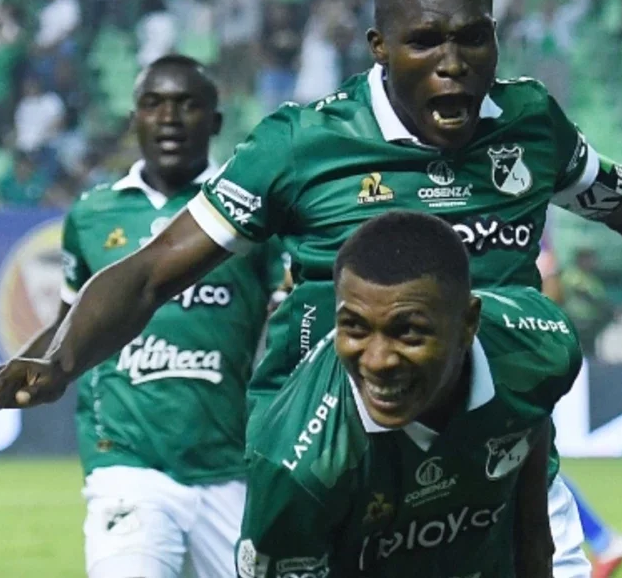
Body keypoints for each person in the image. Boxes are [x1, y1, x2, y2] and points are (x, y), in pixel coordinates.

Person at [0, 0, 622, 575]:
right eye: (427, 42)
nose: (455, 63)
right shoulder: (303, 145)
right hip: (341, 472)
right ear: (381, 49)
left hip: (498, 462)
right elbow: (157, 268)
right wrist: (58, 361)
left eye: (474, 37)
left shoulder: (527, 123)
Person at [0, 55, 282, 578]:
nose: (169, 118)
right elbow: (68, 323)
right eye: (153, 105)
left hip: (231, 469)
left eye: (187, 105)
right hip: (127, 467)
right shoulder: (92, 215)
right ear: (134, 121)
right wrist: (8, 374)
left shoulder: (250, 211)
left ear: (215, 121)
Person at [238, 211, 577, 576]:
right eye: (354, 328)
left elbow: (533, 526)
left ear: (468, 323)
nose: (378, 361)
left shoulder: (541, 347)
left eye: (409, 332)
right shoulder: (296, 469)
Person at [538, 224, 622, 578]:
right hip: (524, 355)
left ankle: (603, 539)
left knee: (526, 463)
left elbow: (551, 284)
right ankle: (603, 539)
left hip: (513, 361)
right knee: (525, 463)